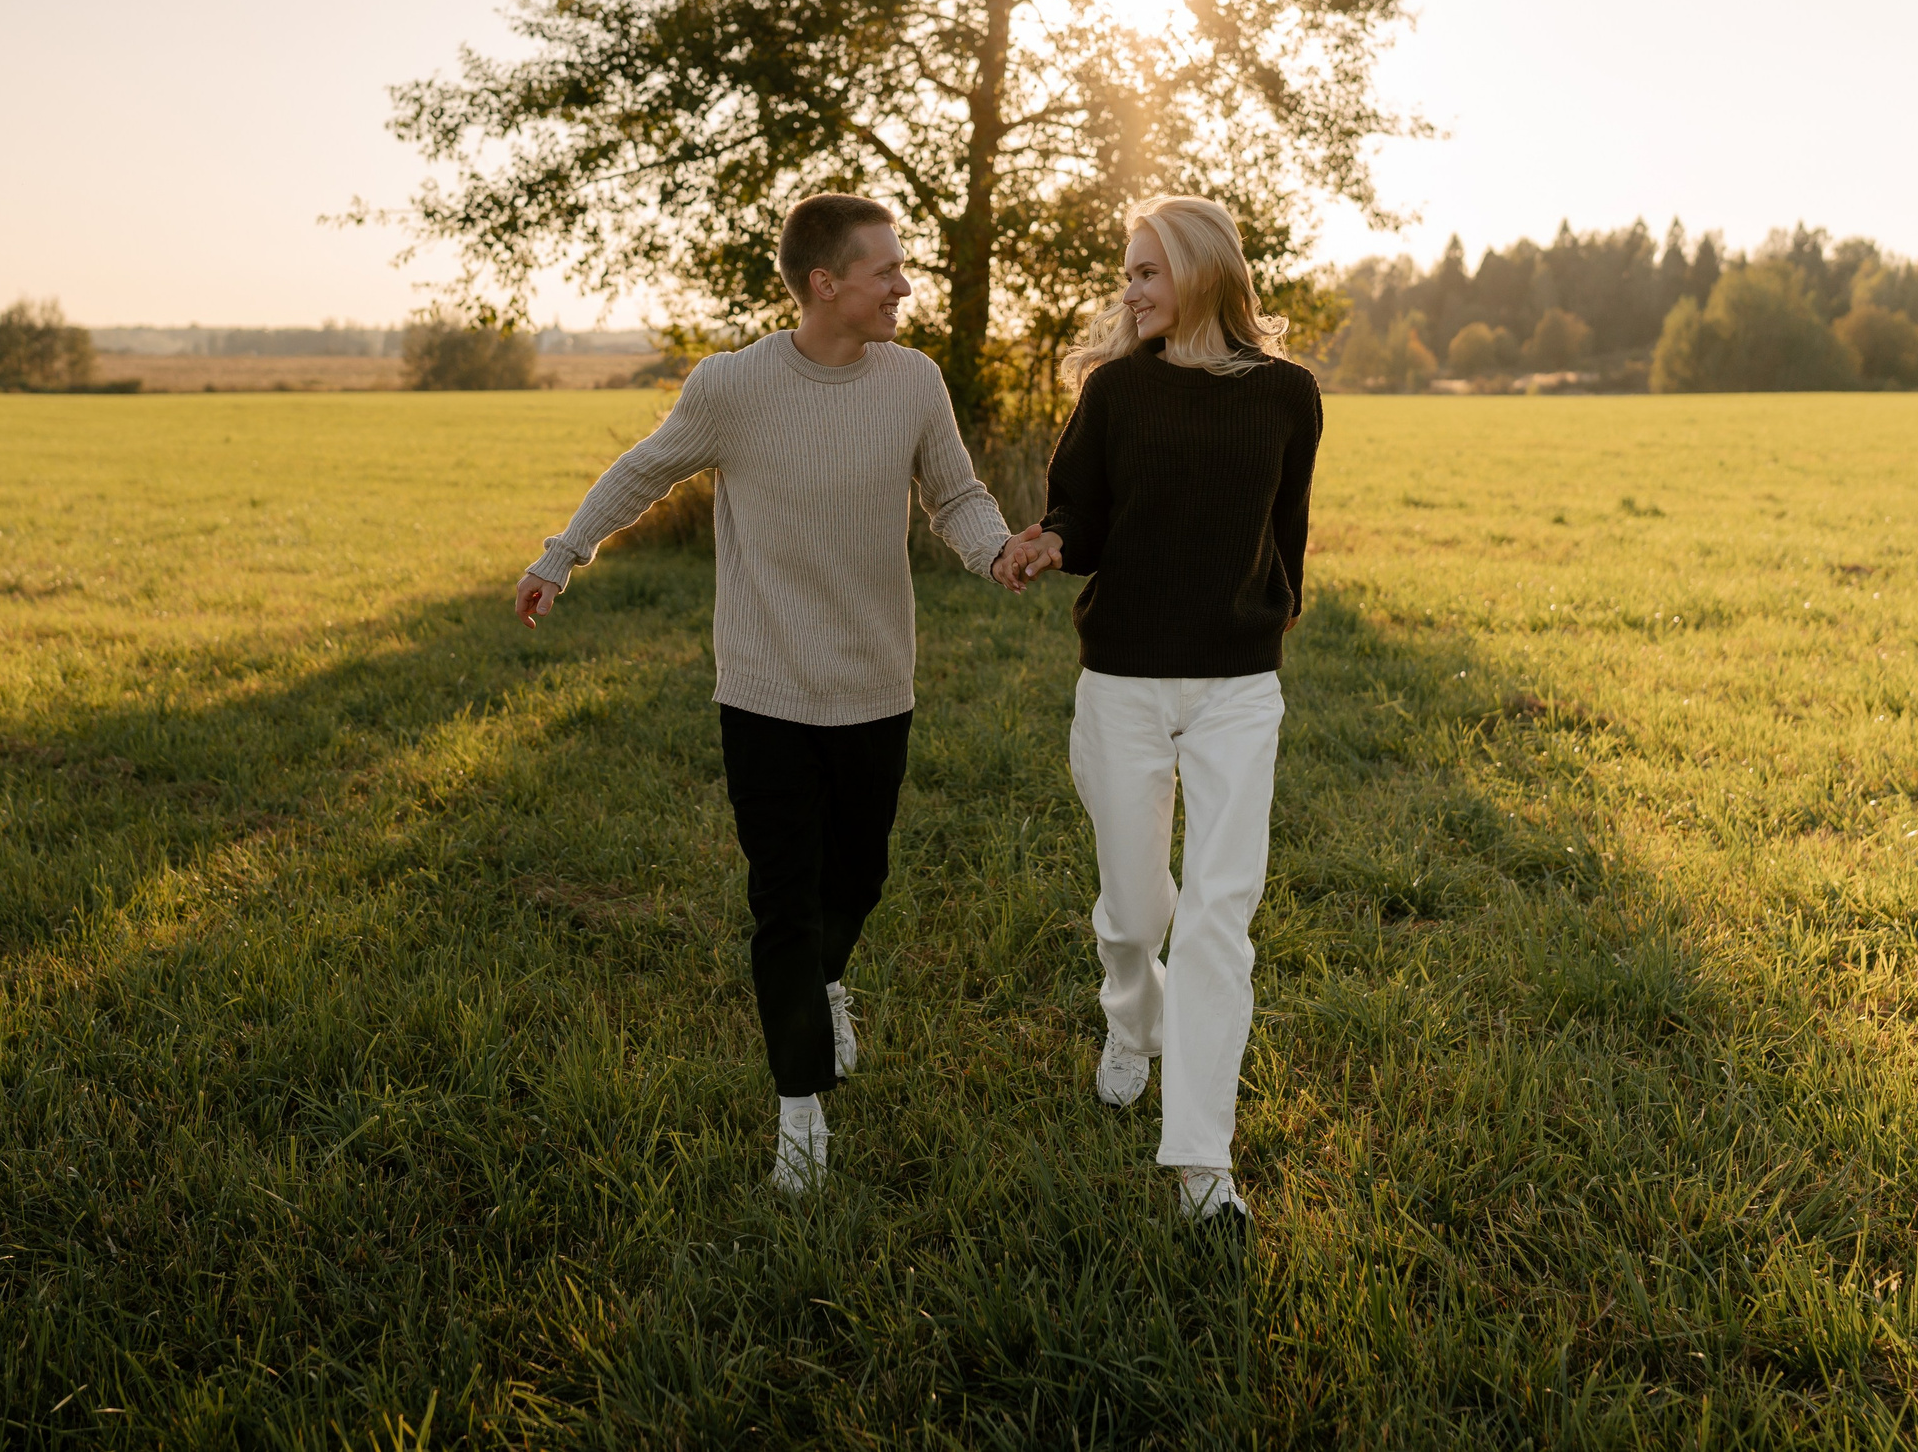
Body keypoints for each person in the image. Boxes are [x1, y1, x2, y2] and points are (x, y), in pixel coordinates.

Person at [516, 194, 1025, 1195]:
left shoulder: (913, 381)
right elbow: (643, 470)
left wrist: (996, 550)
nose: (904, 286)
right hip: (763, 690)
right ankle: (799, 1106)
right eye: (885, 271)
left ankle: (826, 983)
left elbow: (955, 493)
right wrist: (562, 553)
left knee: (860, 878)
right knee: (782, 899)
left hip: (876, 681)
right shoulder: (733, 387)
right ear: (825, 284)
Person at [998, 194, 1322, 1228]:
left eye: (1145, 271)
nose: (1129, 290)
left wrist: (1262, 631)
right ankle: (1129, 1024)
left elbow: (1287, 530)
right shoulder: (1113, 393)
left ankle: (1201, 1167)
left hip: (1236, 686)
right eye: (1127, 273)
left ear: (1202, 274)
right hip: (1124, 678)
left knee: (1219, 917)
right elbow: (1078, 515)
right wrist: (1050, 542)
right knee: (1137, 914)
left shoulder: (1287, 395)